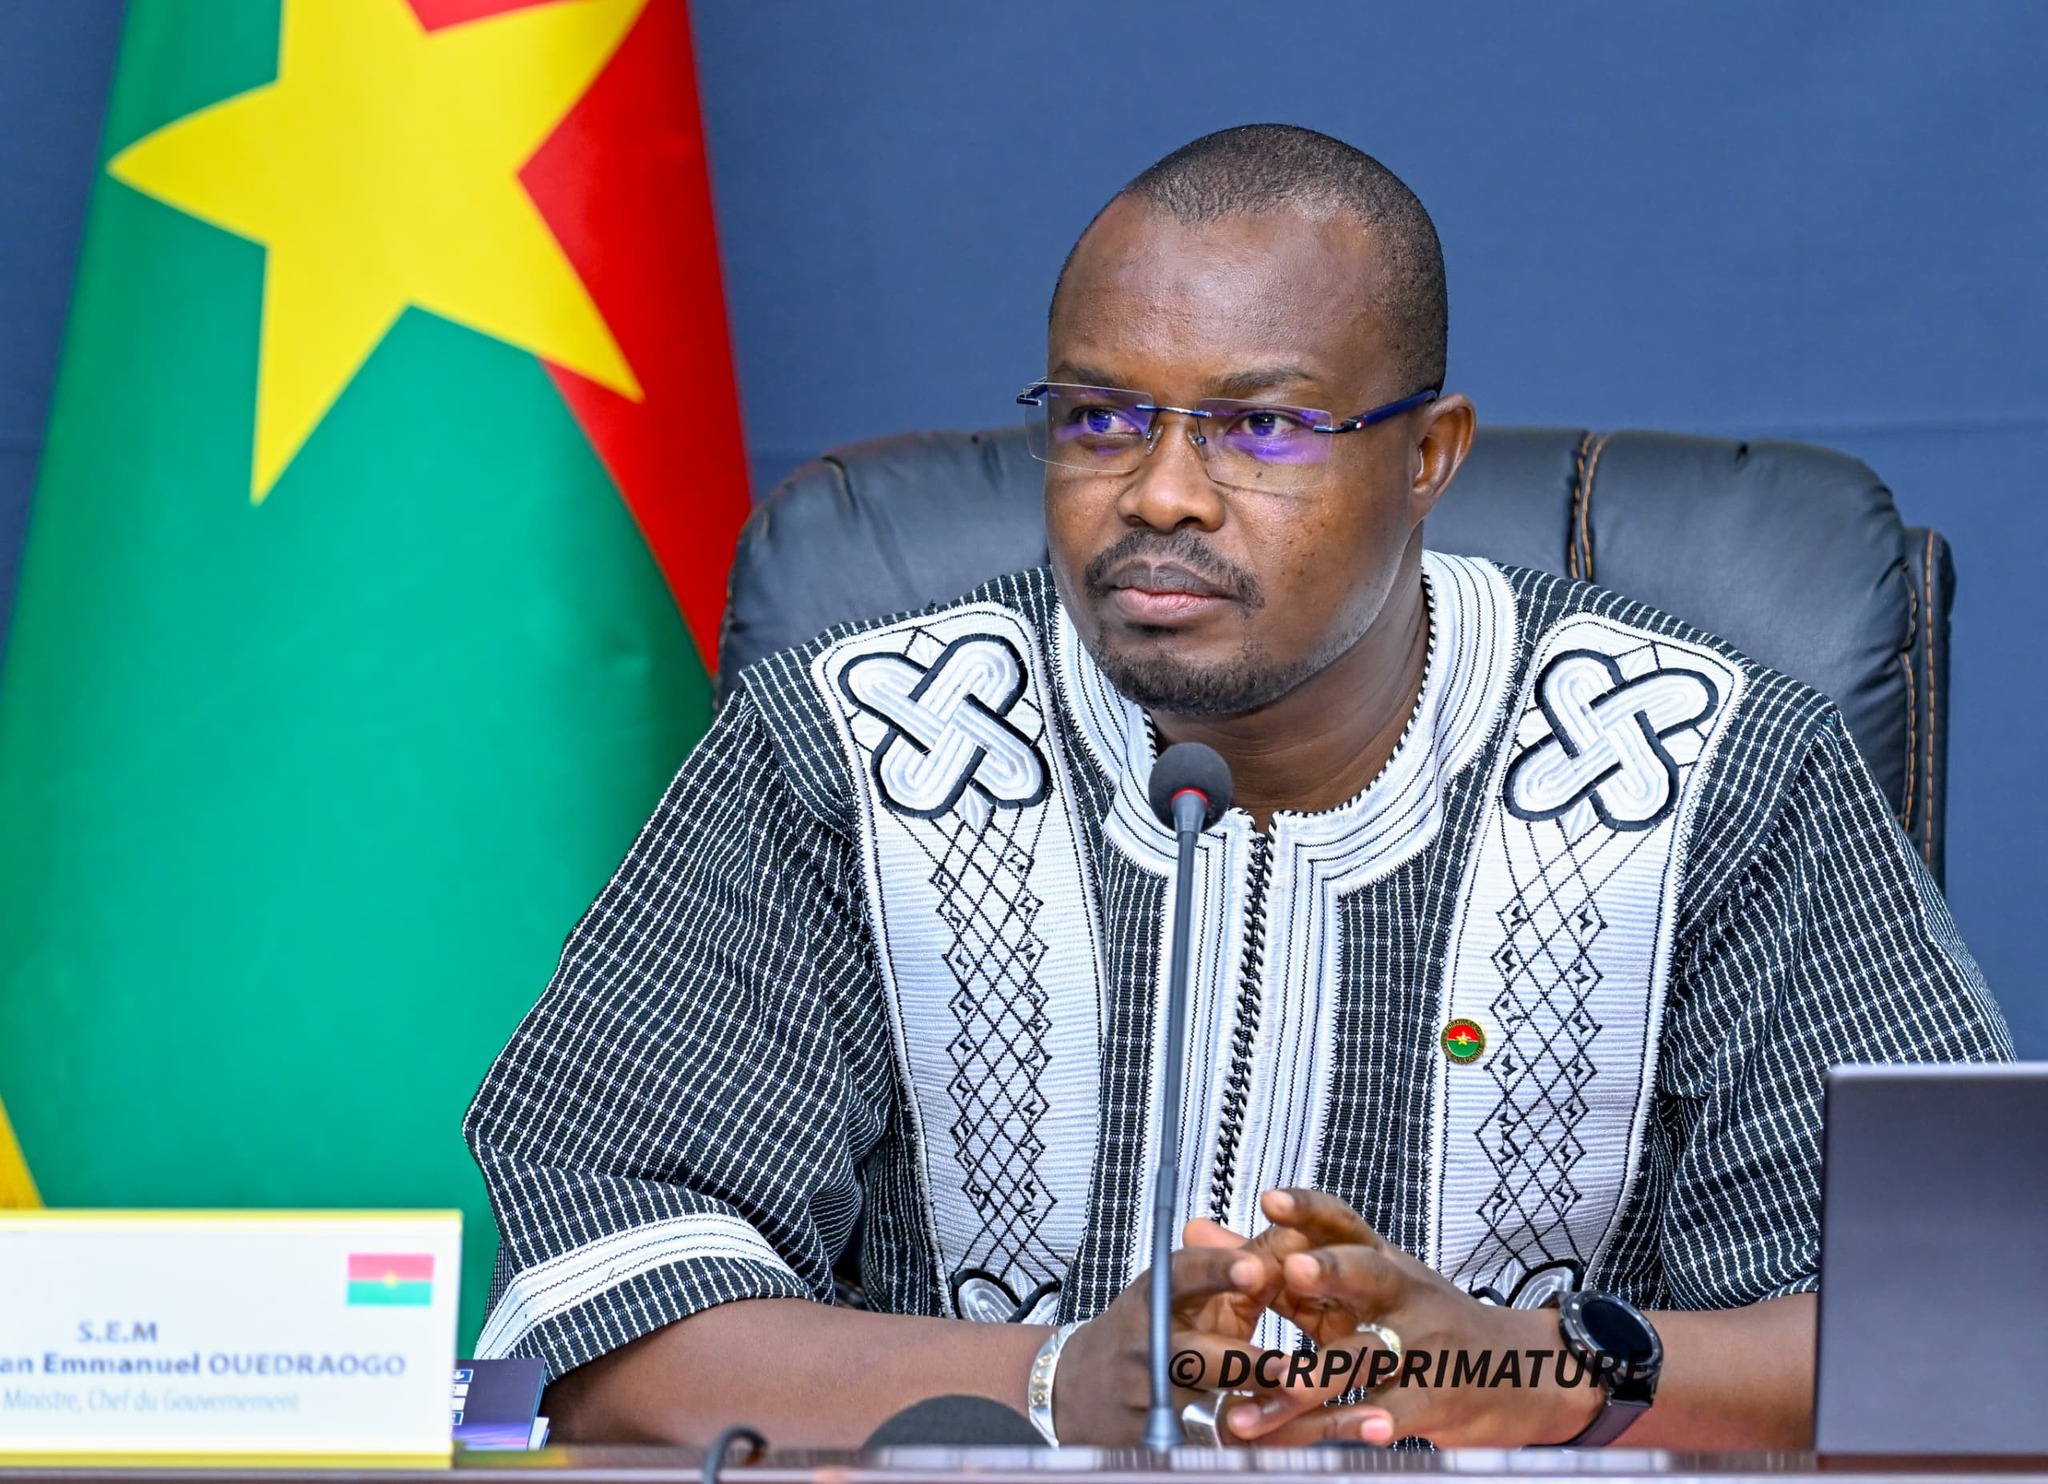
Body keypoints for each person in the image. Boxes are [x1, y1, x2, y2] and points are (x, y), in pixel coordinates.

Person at [463, 124, 2011, 1450]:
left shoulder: (1710, 765)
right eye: (1101, 417)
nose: (1162, 490)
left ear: (1429, 456)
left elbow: (1943, 1330)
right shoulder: (854, 742)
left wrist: (1516, 1374)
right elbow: (602, 1315)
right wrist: (1055, 1380)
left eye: (1263, 426)